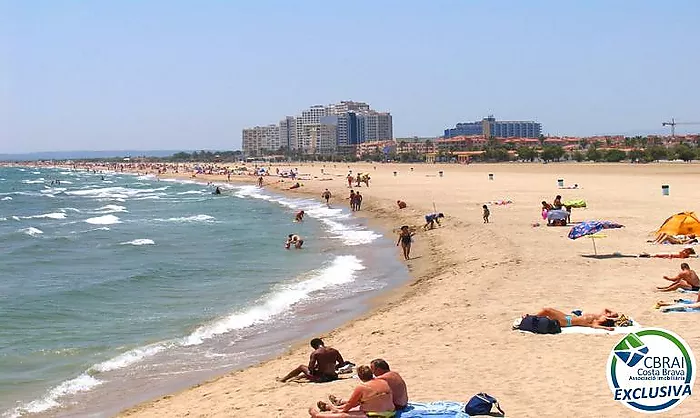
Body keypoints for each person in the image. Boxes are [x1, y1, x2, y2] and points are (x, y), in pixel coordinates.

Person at [310, 365, 395, 418]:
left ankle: (318, 415)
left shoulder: (362, 387)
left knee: (344, 415)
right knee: (359, 404)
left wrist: (341, 411)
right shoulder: (383, 381)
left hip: (378, 415)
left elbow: (350, 404)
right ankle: (330, 407)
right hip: (391, 412)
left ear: (360, 377)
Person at [328, 359, 408, 412]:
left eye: (372, 369)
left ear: (379, 369)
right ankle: (341, 402)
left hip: (397, 406)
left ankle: (339, 404)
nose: (372, 372)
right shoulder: (394, 374)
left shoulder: (381, 379)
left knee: (366, 397)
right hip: (404, 403)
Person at [279, 338, 345, 383]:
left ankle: (283, 379)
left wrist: (316, 368)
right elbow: (342, 364)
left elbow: (310, 369)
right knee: (315, 369)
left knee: (301, 367)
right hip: (334, 376)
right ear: (322, 343)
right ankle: (298, 377)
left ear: (313, 347)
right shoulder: (334, 350)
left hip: (323, 378)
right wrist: (334, 367)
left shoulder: (316, 353)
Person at [525, 307, 621, 331]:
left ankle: (531, 318)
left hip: (566, 322)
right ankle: (532, 318)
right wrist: (613, 314)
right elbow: (605, 309)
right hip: (567, 316)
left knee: (547, 310)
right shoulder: (598, 316)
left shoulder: (594, 323)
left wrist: (607, 328)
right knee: (548, 311)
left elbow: (596, 327)